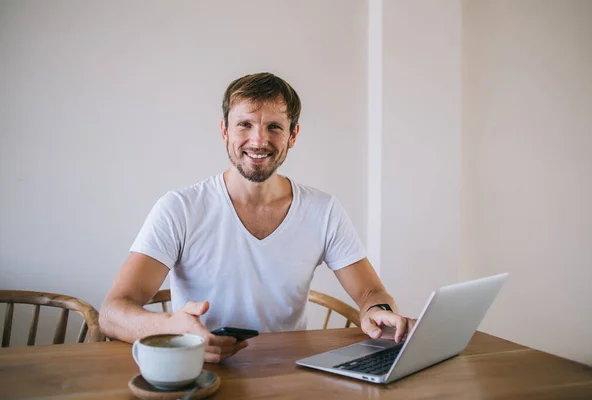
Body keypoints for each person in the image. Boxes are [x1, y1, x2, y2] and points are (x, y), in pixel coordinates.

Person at [99, 72, 416, 363]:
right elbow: (113, 312)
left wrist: (379, 311)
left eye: (274, 127)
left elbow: (370, 293)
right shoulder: (179, 208)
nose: (259, 140)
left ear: (293, 135)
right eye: (245, 124)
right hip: (202, 372)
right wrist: (170, 326)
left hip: (289, 374)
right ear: (225, 130)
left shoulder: (323, 210)